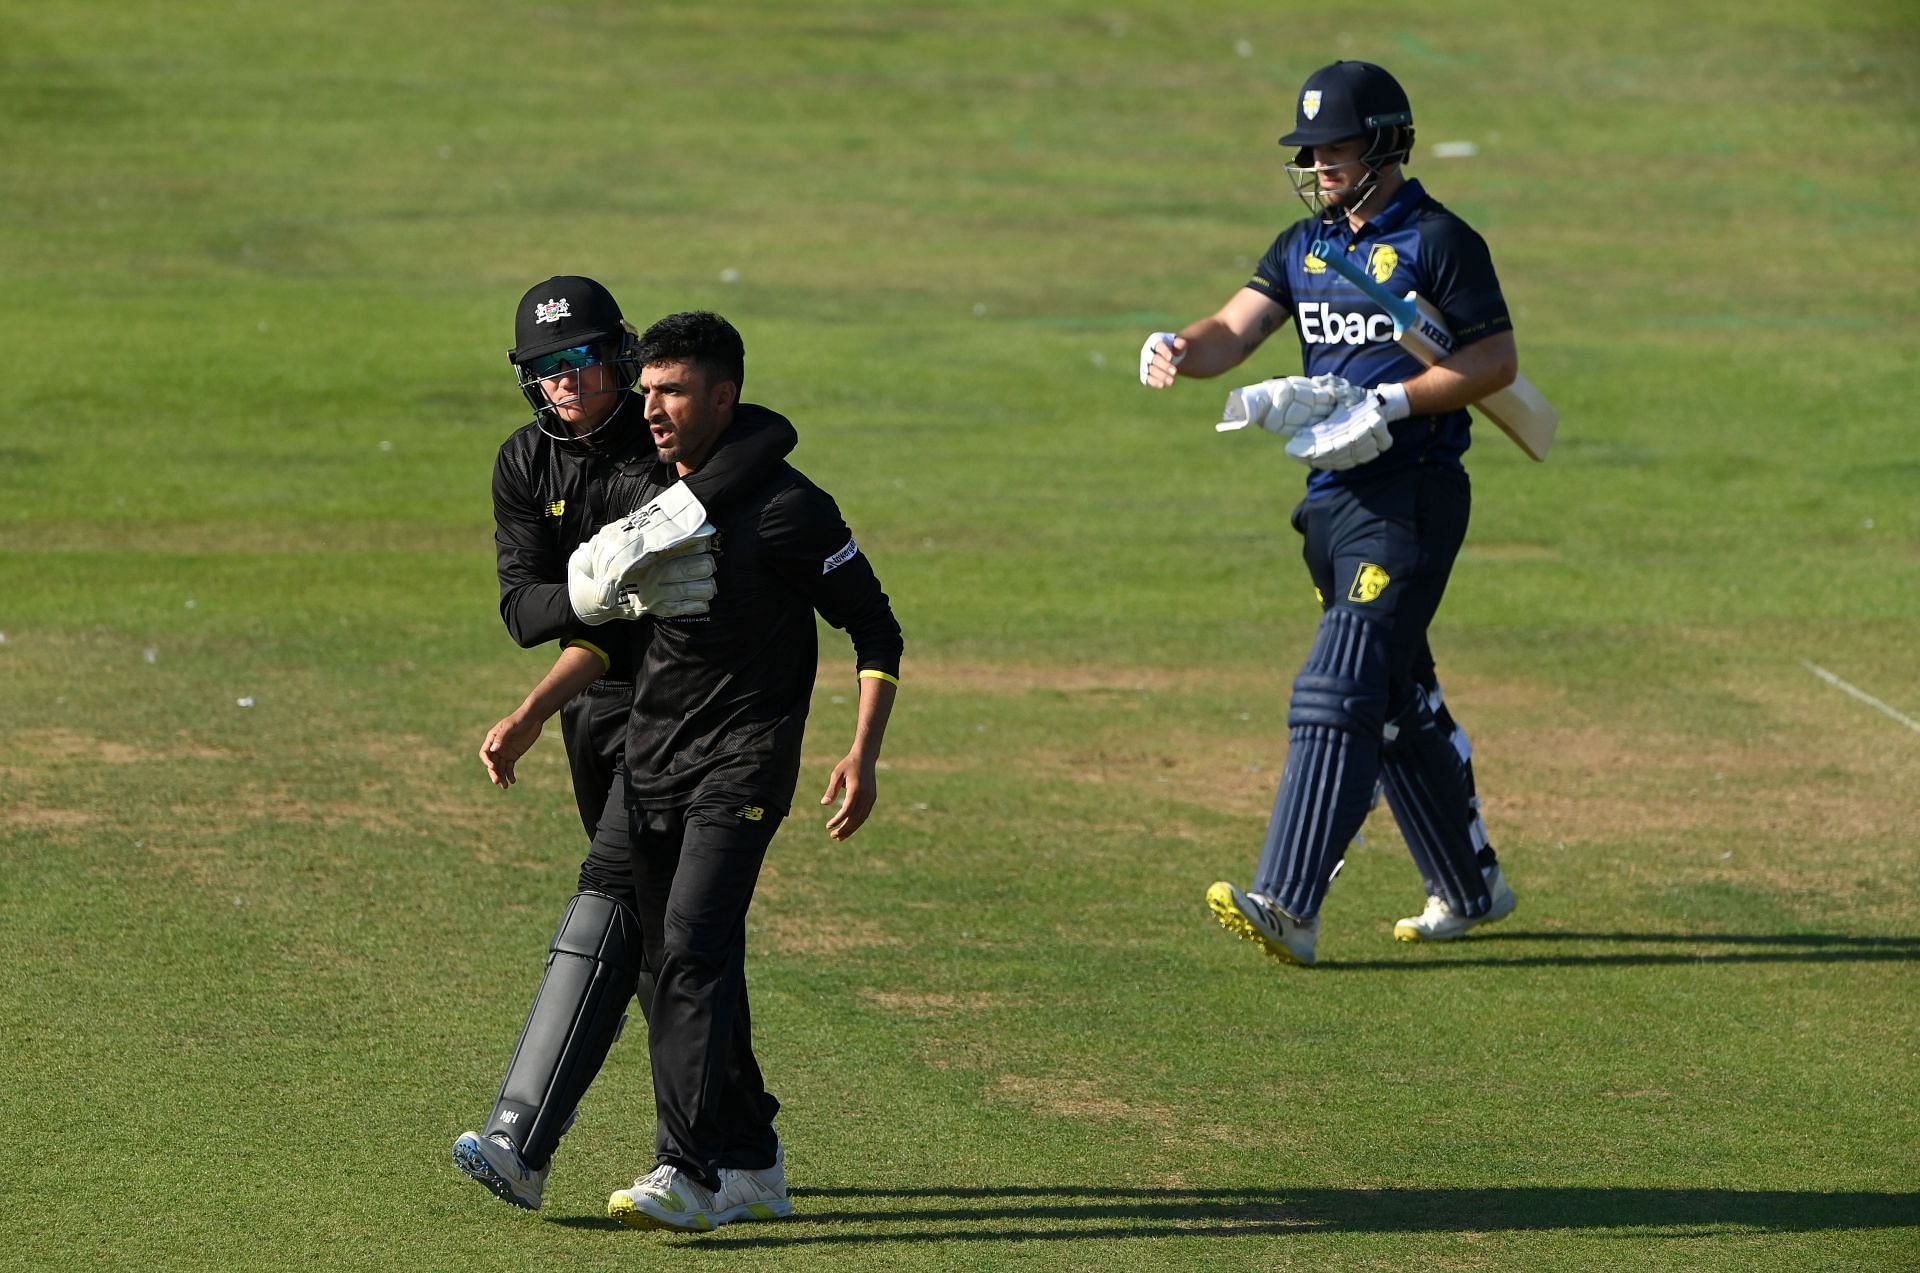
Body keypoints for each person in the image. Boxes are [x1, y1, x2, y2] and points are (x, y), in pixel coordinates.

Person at [462, 311, 903, 1231]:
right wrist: (534, 709)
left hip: (740, 766)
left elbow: (876, 627)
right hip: (647, 762)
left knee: (691, 954)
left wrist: (862, 751)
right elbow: (599, 631)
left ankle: (690, 1169)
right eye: (649, 389)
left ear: (721, 398)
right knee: (667, 955)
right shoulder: (645, 493)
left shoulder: (785, 506)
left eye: (670, 391)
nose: (652, 409)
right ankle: (749, 1162)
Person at [1139, 60, 1519, 966]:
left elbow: (1495, 362)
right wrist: (1175, 346)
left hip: (1413, 495)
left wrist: (1393, 404)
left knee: (1339, 681)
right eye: (1308, 150)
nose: (1317, 162)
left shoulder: (1439, 241)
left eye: (1334, 145)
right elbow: (1233, 330)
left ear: (1387, 142)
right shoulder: (1305, 246)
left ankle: (1289, 902)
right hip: (1329, 502)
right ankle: (1470, 886)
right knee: (1390, 694)